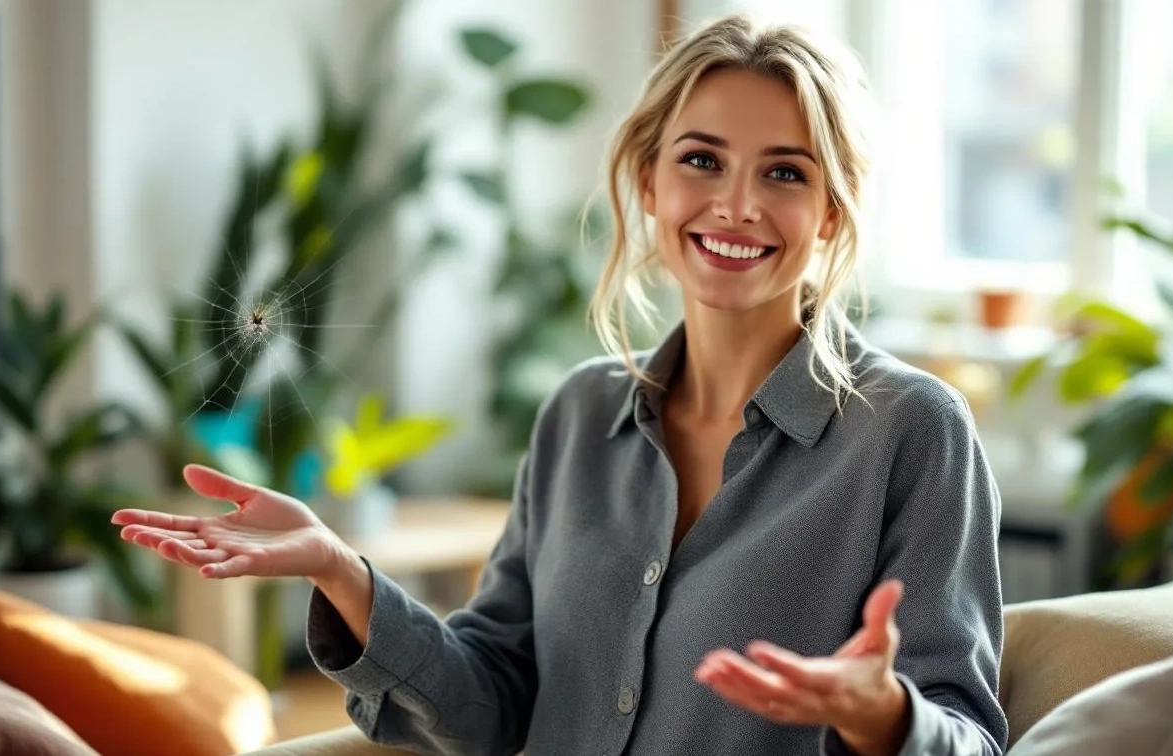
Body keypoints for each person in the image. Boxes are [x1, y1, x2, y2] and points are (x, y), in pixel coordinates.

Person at [114, 14, 1006, 756]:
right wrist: (341, 573)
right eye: (701, 159)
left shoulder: (911, 432)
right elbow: (494, 704)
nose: (736, 204)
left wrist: (882, 717)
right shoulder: (580, 414)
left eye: (785, 172)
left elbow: (968, 737)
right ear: (649, 181)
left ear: (833, 212)